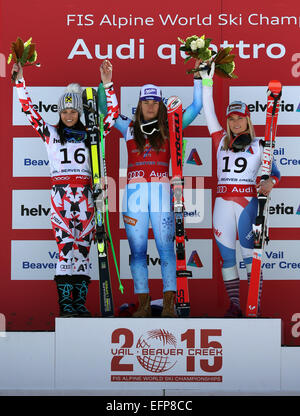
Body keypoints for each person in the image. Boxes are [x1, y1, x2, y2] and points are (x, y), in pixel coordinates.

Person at [12, 61, 119, 317]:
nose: (69, 115)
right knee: (64, 252)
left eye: (73, 111)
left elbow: (112, 116)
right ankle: (66, 306)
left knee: (82, 252)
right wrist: (19, 82)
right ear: (59, 113)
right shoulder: (50, 134)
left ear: (79, 112)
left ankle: (79, 305)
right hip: (60, 197)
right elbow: (28, 111)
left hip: (86, 198)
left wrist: (108, 84)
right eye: (64, 111)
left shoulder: (92, 134)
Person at [99, 60, 203, 318]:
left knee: (167, 248)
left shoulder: (171, 128)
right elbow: (105, 111)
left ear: (161, 105)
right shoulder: (128, 127)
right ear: (139, 104)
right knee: (137, 251)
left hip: (160, 193)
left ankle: (169, 304)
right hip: (134, 194)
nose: (150, 106)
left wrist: (200, 76)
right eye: (146, 102)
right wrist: (107, 83)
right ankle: (143, 304)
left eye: (155, 102)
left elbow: (197, 106)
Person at [200, 62, 280, 317]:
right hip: (222, 202)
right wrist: (207, 81)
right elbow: (208, 110)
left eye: (240, 118)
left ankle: (253, 306)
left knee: (250, 257)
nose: (235, 123)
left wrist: (270, 183)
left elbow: (275, 173)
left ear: (247, 119)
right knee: (227, 259)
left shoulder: (260, 144)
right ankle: (235, 305)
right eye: (231, 119)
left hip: (247, 203)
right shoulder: (219, 141)